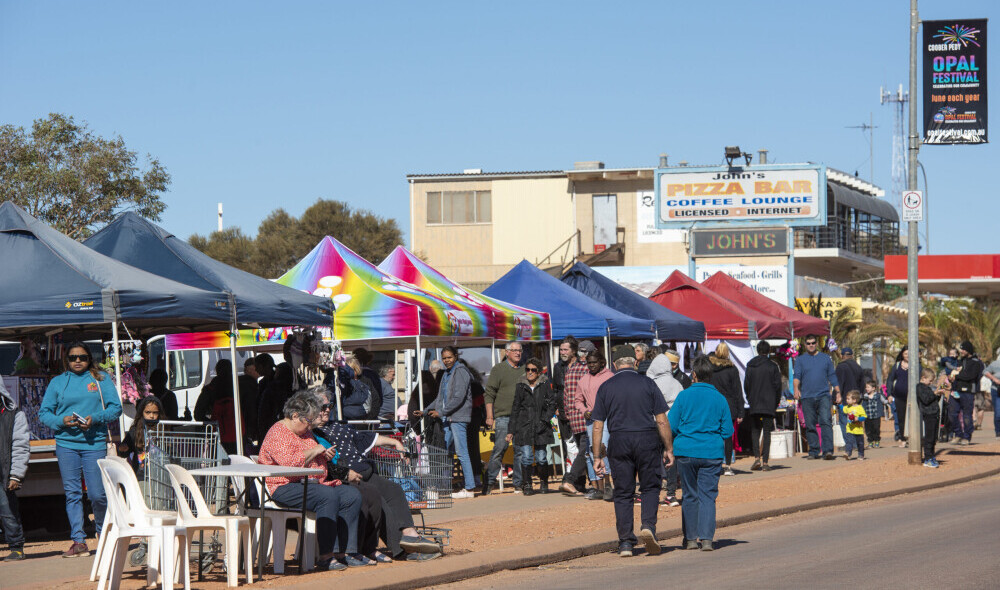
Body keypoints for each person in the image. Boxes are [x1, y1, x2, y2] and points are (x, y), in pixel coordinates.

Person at [308, 389, 441, 562]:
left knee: (394, 489)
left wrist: (394, 442)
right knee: (377, 498)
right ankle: (402, 551)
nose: (327, 410)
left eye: (329, 406)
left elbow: (366, 438)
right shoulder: (312, 433)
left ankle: (410, 534)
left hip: (366, 471)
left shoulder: (338, 426)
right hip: (346, 477)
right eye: (322, 406)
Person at [257, 393, 363, 570]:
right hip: (282, 486)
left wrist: (323, 454)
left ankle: (343, 551)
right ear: (295, 416)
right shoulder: (279, 432)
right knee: (327, 496)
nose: (309, 425)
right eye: (308, 420)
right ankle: (325, 556)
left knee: (351, 495)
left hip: (309, 483)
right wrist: (316, 451)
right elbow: (290, 463)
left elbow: (313, 453)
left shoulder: (304, 433)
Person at [38, 342, 122, 558]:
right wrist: (62, 421)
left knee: (97, 494)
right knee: (73, 494)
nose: (78, 361)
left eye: (82, 357)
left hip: (94, 443)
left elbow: (116, 408)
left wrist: (95, 419)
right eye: (73, 357)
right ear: (67, 360)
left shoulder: (100, 379)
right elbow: (44, 413)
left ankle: (103, 534)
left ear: (89, 359)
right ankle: (78, 540)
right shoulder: (58, 382)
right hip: (66, 444)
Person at [591, 345, 674, 558]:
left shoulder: (606, 386)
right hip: (646, 438)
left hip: (619, 440)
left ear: (614, 365)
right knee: (650, 487)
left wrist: (597, 456)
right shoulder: (648, 383)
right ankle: (648, 526)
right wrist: (668, 448)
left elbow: (598, 424)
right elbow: (662, 420)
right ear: (635, 362)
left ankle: (626, 542)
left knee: (623, 492)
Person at [669, 355, 733, 552]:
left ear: (694, 374)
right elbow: (728, 431)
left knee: (689, 495)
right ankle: (706, 539)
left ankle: (689, 539)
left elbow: (671, 425)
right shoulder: (720, 399)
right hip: (711, 452)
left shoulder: (683, 396)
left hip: (686, 450)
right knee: (707, 496)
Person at [419, 346, 476, 498]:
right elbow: (440, 399)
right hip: (447, 418)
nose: (447, 361)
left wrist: (442, 412)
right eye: (444, 358)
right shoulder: (446, 374)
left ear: (456, 356)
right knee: (444, 452)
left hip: (458, 418)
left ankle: (470, 488)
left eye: (449, 357)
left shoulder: (461, 372)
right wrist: (425, 411)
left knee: (461, 452)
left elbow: (459, 397)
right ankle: (443, 485)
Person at [507, 357, 558, 496]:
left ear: (539, 372)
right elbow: (515, 407)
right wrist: (511, 430)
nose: (530, 372)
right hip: (523, 426)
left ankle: (543, 482)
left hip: (541, 425)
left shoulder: (544, 383)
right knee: (527, 457)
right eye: (527, 369)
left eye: (533, 370)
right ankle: (527, 484)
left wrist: (545, 420)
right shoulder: (521, 384)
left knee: (541, 457)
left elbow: (553, 404)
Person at [482, 341, 526, 495]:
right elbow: (489, 394)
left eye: (520, 350)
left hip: (521, 417)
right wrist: (489, 416)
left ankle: (518, 484)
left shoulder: (525, 369)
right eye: (514, 350)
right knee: (499, 450)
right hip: (503, 417)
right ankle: (488, 482)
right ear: (507, 352)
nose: (518, 353)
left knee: (520, 451)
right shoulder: (498, 369)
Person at [193, 358, 257, 454]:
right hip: (239, 432)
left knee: (219, 462)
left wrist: (212, 424)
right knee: (239, 461)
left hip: (218, 434)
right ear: (231, 370)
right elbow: (250, 410)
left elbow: (198, 413)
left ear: (217, 371)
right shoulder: (240, 386)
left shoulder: (210, 389)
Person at [793, 335, 840, 460]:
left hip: (824, 395)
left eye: (813, 342)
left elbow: (832, 376)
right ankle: (813, 451)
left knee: (825, 421)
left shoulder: (825, 358)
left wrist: (838, 392)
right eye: (808, 343)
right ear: (805, 344)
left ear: (817, 344)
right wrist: (796, 389)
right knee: (810, 424)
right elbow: (797, 376)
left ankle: (828, 451)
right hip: (807, 397)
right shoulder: (800, 360)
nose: (811, 345)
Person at [578, 350, 615, 501]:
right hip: (591, 419)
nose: (591, 365)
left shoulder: (610, 377)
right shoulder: (583, 380)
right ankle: (599, 487)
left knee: (602, 447)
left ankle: (608, 483)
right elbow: (577, 400)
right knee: (593, 452)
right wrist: (584, 410)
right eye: (589, 363)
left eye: (594, 362)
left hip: (606, 418)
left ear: (602, 362)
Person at [646, 352, 683, 505]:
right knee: (671, 457)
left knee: (652, 458)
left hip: (656, 424)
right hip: (674, 424)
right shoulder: (677, 383)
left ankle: (650, 493)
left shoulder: (652, 384)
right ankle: (671, 493)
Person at [557, 338, 590, 496]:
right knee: (585, 451)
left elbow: (565, 396)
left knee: (582, 451)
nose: (563, 353)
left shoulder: (571, 371)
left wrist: (569, 415)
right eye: (561, 350)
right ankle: (570, 480)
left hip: (573, 417)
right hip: (584, 417)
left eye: (565, 350)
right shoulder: (585, 370)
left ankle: (580, 484)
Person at [0, 380, 29, 561]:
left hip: (3, 474)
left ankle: (16, 548)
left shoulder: (13, 415)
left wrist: (16, 474)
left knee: (7, 511)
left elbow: (20, 446)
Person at [743, 341, 782, 471]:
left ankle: (756, 458)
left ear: (757, 350)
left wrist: (750, 399)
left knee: (755, 431)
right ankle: (765, 462)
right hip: (768, 404)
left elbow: (746, 385)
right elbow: (778, 387)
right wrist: (775, 403)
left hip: (755, 403)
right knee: (766, 432)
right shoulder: (773, 366)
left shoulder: (751, 365)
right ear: (768, 350)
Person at [708, 343, 744, 475]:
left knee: (714, 436)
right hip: (730, 406)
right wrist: (741, 411)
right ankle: (728, 465)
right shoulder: (732, 369)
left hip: (713, 405)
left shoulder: (710, 369)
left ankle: (716, 465)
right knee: (728, 437)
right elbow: (737, 391)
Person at [118, 396, 164, 480]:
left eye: (155, 413)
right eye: (148, 412)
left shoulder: (163, 430)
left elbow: (171, 452)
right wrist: (122, 449)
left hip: (160, 478)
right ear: (142, 413)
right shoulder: (135, 430)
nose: (151, 416)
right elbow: (124, 453)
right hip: (141, 477)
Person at [948, 340, 984, 445]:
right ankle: (958, 434)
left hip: (968, 392)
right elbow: (956, 372)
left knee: (967, 416)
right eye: (961, 349)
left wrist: (957, 376)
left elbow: (970, 376)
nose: (962, 351)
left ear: (968, 350)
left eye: (963, 349)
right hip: (955, 391)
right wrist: (951, 378)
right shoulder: (960, 361)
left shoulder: (976, 362)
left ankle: (967, 437)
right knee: (952, 414)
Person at [835, 348, 865, 449]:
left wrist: (835, 398)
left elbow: (838, 384)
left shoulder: (841, 367)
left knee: (845, 422)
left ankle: (850, 444)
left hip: (845, 400)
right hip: (856, 400)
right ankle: (857, 444)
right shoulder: (858, 367)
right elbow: (862, 385)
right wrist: (858, 398)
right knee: (855, 422)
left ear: (842, 356)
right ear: (852, 355)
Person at [258, 362, 295, 438]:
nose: (275, 374)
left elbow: (264, 411)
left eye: (277, 372)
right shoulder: (296, 387)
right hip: (292, 425)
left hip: (274, 425)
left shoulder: (272, 388)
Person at [917, 368, 945, 468]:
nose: (931, 382)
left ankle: (932, 456)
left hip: (934, 414)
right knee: (929, 438)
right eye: (930, 380)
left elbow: (932, 400)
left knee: (933, 438)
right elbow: (926, 400)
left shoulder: (927, 388)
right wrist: (935, 393)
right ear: (923, 378)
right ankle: (928, 458)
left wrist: (938, 395)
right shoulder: (920, 387)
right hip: (928, 415)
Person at [886, 347, 913, 446]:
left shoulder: (916, 365)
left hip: (912, 397)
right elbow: (890, 380)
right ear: (902, 354)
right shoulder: (897, 366)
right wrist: (889, 394)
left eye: (909, 354)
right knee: (901, 418)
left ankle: (912, 438)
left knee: (912, 418)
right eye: (906, 354)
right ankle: (903, 438)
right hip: (899, 397)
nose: (908, 356)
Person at [839, 390, 867, 460]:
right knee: (849, 442)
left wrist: (858, 418)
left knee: (860, 443)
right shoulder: (848, 407)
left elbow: (864, 417)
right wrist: (839, 404)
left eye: (848, 399)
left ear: (854, 400)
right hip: (850, 429)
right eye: (846, 399)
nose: (847, 400)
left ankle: (861, 454)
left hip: (858, 430)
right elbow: (843, 408)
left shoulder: (859, 408)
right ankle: (848, 453)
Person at [861, 380, 889, 448]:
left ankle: (877, 440)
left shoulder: (878, 395)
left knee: (876, 428)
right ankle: (870, 441)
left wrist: (889, 401)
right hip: (867, 416)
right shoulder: (865, 397)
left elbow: (884, 401)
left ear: (873, 388)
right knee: (868, 430)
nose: (866, 389)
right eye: (866, 387)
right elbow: (862, 406)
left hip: (876, 416)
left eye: (868, 387)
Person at [985, 348, 1000, 439]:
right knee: (998, 412)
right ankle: (998, 431)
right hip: (996, 390)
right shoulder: (995, 364)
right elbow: (985, 371)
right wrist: (994, 379)